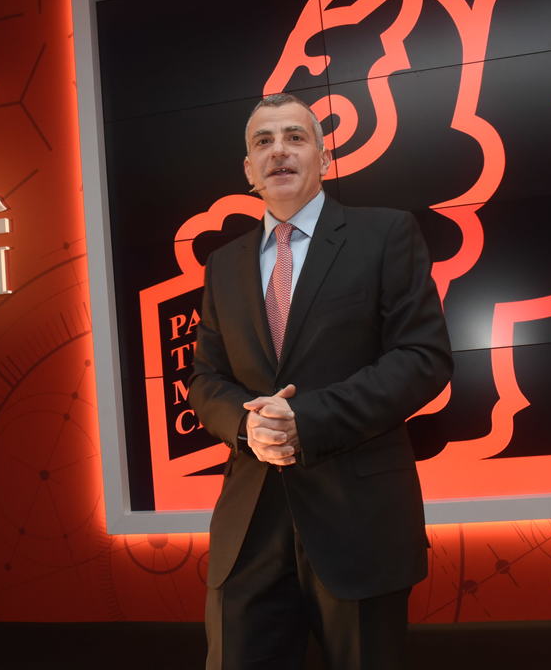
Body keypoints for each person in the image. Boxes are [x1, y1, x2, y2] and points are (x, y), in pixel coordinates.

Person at [188, 93, 453, 669]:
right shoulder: (222, 265)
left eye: (295, 137)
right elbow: (205, 378)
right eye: (263, 142)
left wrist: (306, 419)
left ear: (323, 157)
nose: (278, 151)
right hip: (248, 527)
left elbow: (422, 357)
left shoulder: (386, 234)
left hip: (359, 520)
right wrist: (248, 427)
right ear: (248, 170)